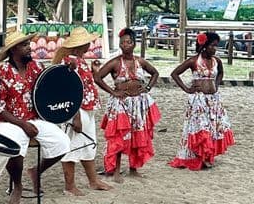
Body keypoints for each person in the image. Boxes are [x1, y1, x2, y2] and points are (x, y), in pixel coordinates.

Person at [0, 30, 71, 204]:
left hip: (32, 118)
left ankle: (35, 171)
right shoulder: (2, 74)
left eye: (28, 44)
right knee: (16, 142)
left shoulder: (36, 67)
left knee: (63, 142)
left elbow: (52, 78)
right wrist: (22, 124)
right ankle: (17, 185)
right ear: (13, 50)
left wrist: (67, 68)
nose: (29, 48)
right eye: (24, 46)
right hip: (6, 121)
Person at [51, 28, 113, 196]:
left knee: (87, 143)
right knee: (72, 146)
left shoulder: (78, 60)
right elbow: (67, 89)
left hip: (86, 107)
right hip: (76, 109)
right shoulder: (69, 62)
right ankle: (70, 185)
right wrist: (75, 115)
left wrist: (93, 72)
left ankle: (92, 180)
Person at [95, 27, 161, 181]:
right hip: (121, 104)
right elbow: (98, 77)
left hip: (138, 103)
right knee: (120, 136)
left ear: (134, 44)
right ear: (119, 45)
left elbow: (155, 73)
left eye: (129, 42)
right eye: (123, 43)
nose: (125, 45)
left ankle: (133, 168)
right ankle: (116, 170)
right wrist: (113, 92)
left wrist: (148, 87)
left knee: (137, 134)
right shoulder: (115, 63)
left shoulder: (140, 61)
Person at [168, 30, 234, 170]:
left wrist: (216, 84)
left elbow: (221, 72)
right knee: (200, 127)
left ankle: (207, 156)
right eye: (213, 45)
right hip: (198, 101)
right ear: (204, 45)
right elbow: (175, 74)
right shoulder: (194, 61)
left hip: (213, 100)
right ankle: (199, 156)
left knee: (211, 127)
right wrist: (187, 89)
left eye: (216, 46)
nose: (215, 49)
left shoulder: (217, 61)